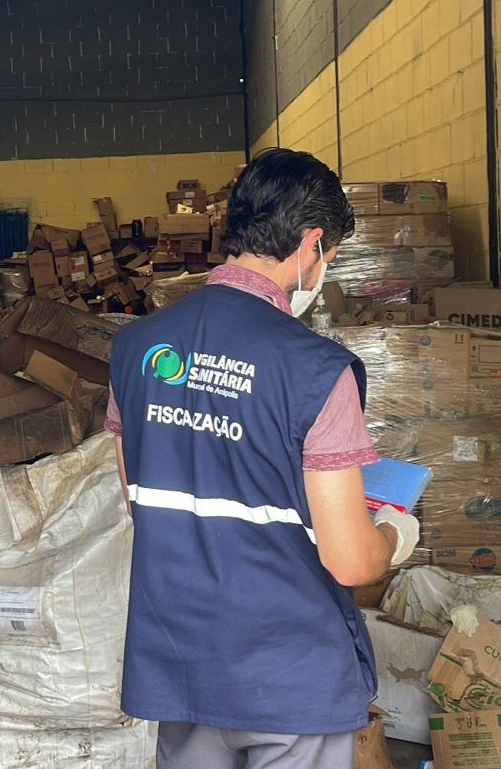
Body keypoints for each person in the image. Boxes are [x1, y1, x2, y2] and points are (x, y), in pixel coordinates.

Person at [106, 148, 420, 769]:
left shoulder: (136, 348)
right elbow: (350, 561)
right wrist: (393, 533)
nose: (323, 272)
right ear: (311, 243)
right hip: (289, 672)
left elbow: (144, 501)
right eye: (328, 257)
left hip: (182, 661)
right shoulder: (317, 369)